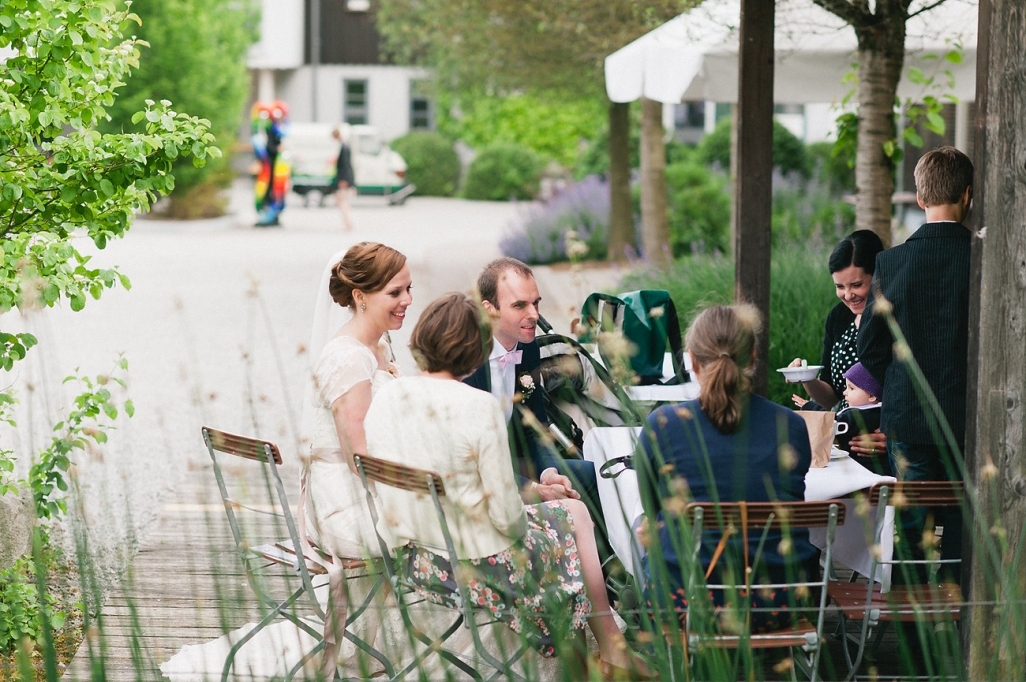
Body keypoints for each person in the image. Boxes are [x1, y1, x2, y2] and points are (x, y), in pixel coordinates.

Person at [364, 292, 650, 677]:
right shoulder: (478, 407)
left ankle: (603, 653)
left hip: (412, 558)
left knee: (565, 517)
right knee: (575, 515)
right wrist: (538, 505)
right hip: (473, 566)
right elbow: (507, 519)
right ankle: (607, 652)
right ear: (475, 350)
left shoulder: (386, 396)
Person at [637, 304, 817, 632]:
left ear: (690, 360)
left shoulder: (661, 424)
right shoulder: (790, 426)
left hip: (688, 604)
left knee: (645, 528)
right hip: (780, 602)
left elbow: (651, 510)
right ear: (752, 357)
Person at [857, 145, 973, 578]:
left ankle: (914, 631)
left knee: (912, 529)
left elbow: (869, 347)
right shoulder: (982, 259)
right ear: (967, 195)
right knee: (968, 526)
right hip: (970, 420)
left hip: (908, 419)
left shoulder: (892, 262)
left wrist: (900, 385)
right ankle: (966, 624)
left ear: (921, 199)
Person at [302, 241, 412, 559]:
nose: (407, 300)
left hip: (375, 491)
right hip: (347, 507)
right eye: (395, 293)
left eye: (409, 289)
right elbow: (358, 459)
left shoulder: (379, 348)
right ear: (360, 296)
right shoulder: (349, 358)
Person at [463, 257, 598, 507]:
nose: (534, 315)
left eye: (536, 303)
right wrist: (532, 488)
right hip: (478, 481)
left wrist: (549, 473)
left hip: (517, 462)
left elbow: (535, 426)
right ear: (489, 308)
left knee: (597, 475)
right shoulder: (467, 358)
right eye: (520, 305)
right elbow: (469, 459)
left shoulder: (528, 348)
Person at [789, 229, 887, 459]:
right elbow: (832, 396)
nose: (848, 295)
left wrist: (892, 435)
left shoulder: (891, 316)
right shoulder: (838, 317)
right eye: (839, 287)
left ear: (877, 275)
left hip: (882, 446)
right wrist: (806, 377)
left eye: (856, 284)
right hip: (840, 440)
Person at [833, 362, 884, 471]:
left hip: (861, 470)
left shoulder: (863, 415)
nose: (844, 393)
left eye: (851, 388)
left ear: (871, 395)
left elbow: (832, 422)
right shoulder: (882, 412)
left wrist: (811, 408)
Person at [331, 127, 355, 231]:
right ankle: (347, 222)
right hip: (345, 177)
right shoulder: (345, 145)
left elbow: (345, 165)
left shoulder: (344, 147)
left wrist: (344, 180)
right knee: (342, 201)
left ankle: (347, 222)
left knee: (342, 201)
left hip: (343, 178)